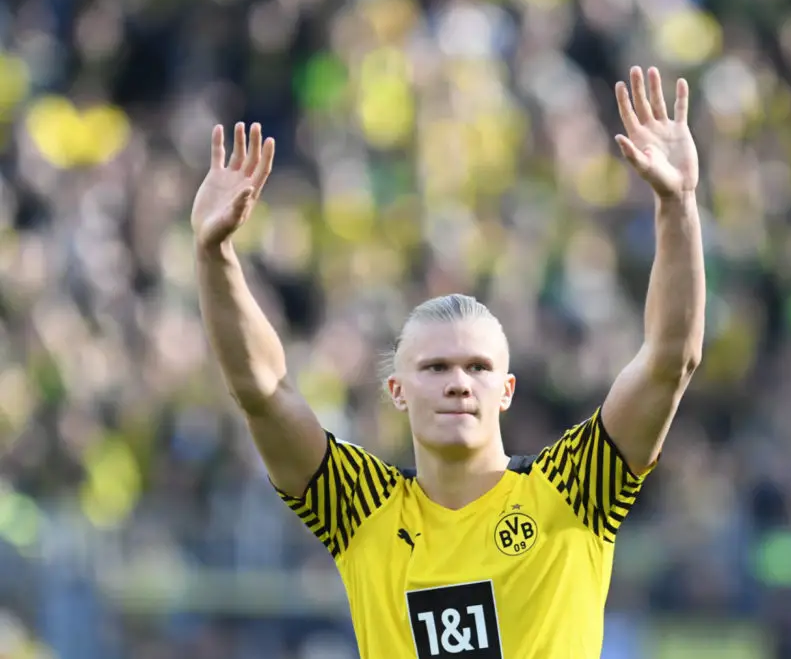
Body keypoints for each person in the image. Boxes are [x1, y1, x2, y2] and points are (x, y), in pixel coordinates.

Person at [191, 65, 705, 658]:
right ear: (397, 389)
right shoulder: (361, 509)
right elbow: (263, 393)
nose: (459, 383)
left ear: (507, 389)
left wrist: (678, 205)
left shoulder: (573, 490)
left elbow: (670, 361)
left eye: (478, 368)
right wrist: (213, 253)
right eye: (435, 368)